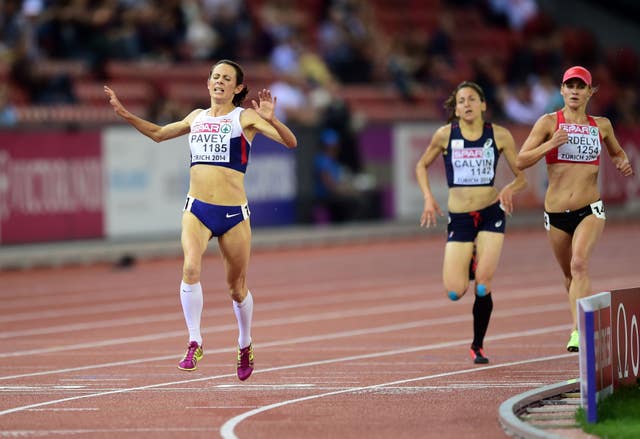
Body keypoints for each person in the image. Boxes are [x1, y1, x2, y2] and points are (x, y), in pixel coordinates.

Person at [104, 59, 298, 380]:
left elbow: (290, 142)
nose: (219, 82)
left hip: (234, 215)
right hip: (197, 210)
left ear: (237, 88)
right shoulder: (196, 117)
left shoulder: (245, 118)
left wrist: (272, 120)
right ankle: (195, 341)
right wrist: (125, 114)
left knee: (236, 289)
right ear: (208, 84)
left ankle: (245, 342)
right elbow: (158, 133)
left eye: (226, 79)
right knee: (190, 267)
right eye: (215, 77)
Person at [515, 66, 634, 352]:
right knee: (569, 275)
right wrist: (550, 145)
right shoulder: (548, 123)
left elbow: (617, 152)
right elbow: (520, 161)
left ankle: (578, 330)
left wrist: (622, 161)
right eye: (570, 86)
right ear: (562, 90)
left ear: (590, 92)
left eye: (581, 87)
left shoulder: (601, 125)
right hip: (555, 214)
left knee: (579, 264)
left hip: (589, 209)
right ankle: (578, 322)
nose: (575, 91)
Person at [415, 81, 527, 364]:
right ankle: (472, 260)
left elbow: (522, 176)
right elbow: (421, 165)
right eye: (461, 101)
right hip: (460, 219)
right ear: (456, 108)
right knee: (454, 292)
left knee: (482, 286)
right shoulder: (444, 136)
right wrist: (428, 197)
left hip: (491, 212)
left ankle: (477, 345)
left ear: (483, 105)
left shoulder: (499, 135)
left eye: (471, 99)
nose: (466, 104)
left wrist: (509, 189)